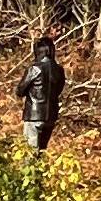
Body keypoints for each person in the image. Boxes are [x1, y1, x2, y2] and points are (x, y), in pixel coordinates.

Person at [16, 28, 66, 159]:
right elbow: (59, 89)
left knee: (30, 151)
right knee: (42, 151)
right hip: (51, 115)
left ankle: (29, 177)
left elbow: (20, 90)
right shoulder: (59, 70)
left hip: (34, 114)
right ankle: (39, 176)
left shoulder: (35, 68)